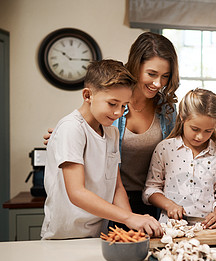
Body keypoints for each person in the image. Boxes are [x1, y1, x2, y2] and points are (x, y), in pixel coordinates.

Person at [44, 32, 179, 219]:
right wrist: (63, 138)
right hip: (107, 200)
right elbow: (84, 130)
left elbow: (177, 152)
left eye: (165, 76)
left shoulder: (167, 110)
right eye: (152, 74)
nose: (158, 83)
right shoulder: (107, 106)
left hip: (153, 197)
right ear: (136, 66)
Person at [41, 59, 163, 239]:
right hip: (64, 236)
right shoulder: (71, 128)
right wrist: (129, 217)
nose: (118, 113)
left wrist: (132, 230)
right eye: (112, 104)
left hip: (98, 235)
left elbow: (116, 187)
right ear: (87, 95)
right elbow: (76, 193)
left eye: (124, 106)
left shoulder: (112, 133)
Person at [143, 88, 216, 229]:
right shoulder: (165, 148)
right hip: (170, 228)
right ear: (182, 118)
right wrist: (169, 205)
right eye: (195, 129)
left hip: (207, 229)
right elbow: (150, 189)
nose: (200, 136)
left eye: (208, 131)